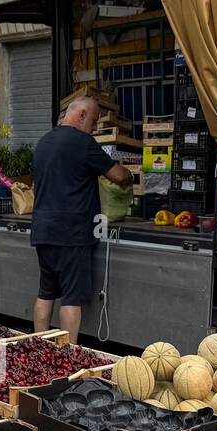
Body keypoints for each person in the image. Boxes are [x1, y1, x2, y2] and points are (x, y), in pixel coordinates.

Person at [29, 96, 132, 341]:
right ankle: (68, 354)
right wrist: (129, 178)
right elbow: (118, 176)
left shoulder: (43, 142)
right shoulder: (83, 143)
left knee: (45, 293)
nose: (94, 128)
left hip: (43, 232)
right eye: (94, 121)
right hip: (71, 234)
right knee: (71, 299)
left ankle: (37, 346)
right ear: (82, 115)